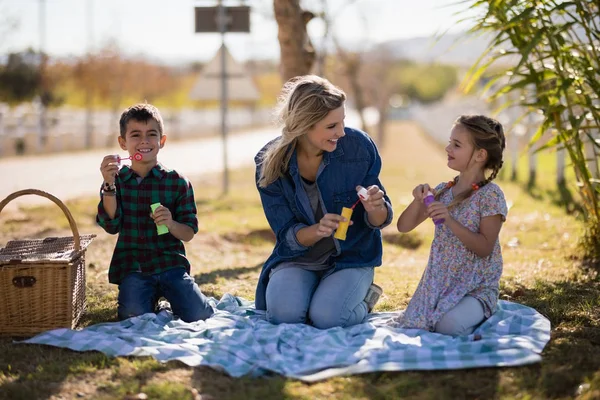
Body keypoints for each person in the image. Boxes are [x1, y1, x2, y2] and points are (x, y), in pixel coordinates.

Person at [254, 75, 393, 329]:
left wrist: (377, 207)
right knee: (282, 316)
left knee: (328, 318)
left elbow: (379, 221)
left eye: (342, 122)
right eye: (331, 126)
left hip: (351, 256)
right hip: (299, 258)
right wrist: (316, 230)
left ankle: (365, 297)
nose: (341, 132)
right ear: (305, 124)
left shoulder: (358, 147)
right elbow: (286, 235)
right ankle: (318, 293)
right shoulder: (269, 163)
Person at [96, 103, 213, 322]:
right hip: (134, 267)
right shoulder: (116, 182)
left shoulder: (177, 182)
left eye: (151, 134)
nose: (144, 141)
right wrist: (108, 184)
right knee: (133, 317)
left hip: (171, 266)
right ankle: (151, 300)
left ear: (162, 141)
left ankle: (174, 297)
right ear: (123, 143)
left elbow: (188, 233)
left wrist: (170, 223)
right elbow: (111, 226)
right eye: (135, 135)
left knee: (200, 315)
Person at [392, 114, 507, 336]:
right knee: (417, 324)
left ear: (480, 155)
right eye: (449, 142)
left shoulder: (490, 195)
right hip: (439, 286)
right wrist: (418, 201)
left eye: (456, 145)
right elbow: (403, 227)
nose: (447, 148)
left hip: (475, 289)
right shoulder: (444, 191)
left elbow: (484, 248)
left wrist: (449, 220)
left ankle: (482, 314)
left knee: (448, 326)